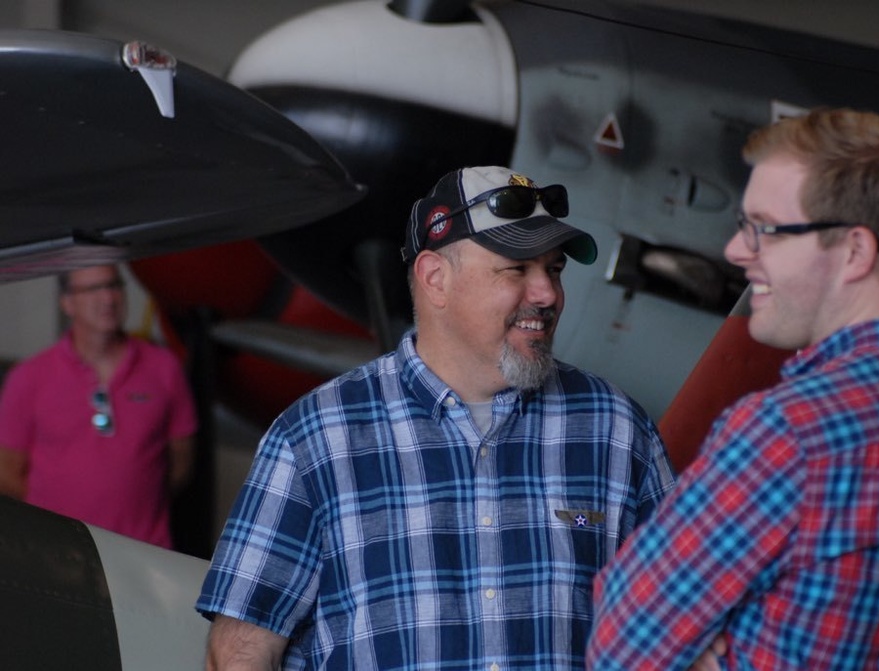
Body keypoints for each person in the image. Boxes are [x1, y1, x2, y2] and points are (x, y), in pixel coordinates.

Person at [196, 165, 675, 669]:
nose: (547, 294)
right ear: (435, 279)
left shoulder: (617, 429)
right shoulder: (317, 438)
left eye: (553, 269)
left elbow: (682, 623)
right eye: (517, 268)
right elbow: (241, 652)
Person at [586, 107, 879, 670]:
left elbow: (624, 649)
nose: (736, 250)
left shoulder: (788, 436)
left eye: (767, 228)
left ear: (855, 251)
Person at [0, 264, 198, 549]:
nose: (108, 298)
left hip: (144, 555)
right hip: (56, 553)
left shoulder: (164, 368)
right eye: (93, 289)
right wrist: (60, 510)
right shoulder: (29, 377)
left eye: (114, 285)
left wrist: (132, 496)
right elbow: (7, 473)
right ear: (67, 302)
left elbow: (182, 462)